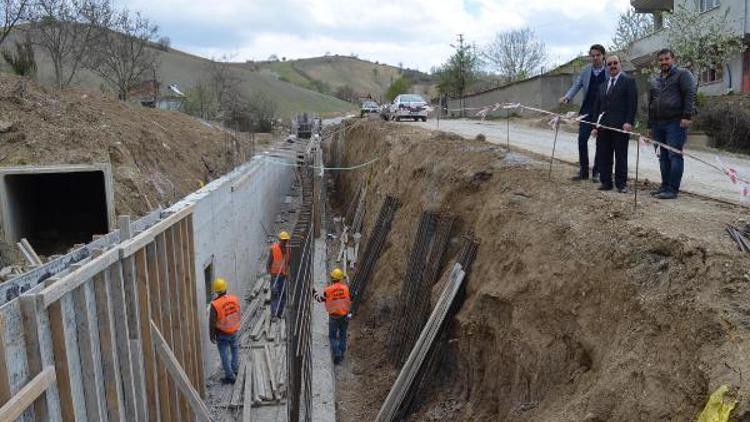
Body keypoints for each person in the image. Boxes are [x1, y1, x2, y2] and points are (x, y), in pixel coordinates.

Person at [647, 48, 697, 200]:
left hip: (675, 122)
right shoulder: (656, 80)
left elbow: (690, 94)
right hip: (657, 123)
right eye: (661, 60)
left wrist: (687, 116)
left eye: (666, 59)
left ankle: (672, 189)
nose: (664, 62)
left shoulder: (683, 74)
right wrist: (650, 125)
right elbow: (651, 103)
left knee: (674, 155)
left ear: (673, 59)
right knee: (662, 156)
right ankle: (664, 186)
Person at [560, 44, 607, 182]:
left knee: (601, 142)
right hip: (587, 111)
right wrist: (567, 97)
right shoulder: (586, 71)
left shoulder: (609, 71)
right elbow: (576, 85)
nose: (595, 58)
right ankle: (584, 171)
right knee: (582, 140)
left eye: (598, 55)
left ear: (603, 55)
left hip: (602, 113)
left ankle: (597, 172)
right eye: (593, 55)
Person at [590, 55, 638, 193]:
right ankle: (606, 182)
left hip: (621, 126)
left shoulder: (628, 82)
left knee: (621, 156)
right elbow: (597, 108)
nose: (612, 66)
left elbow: (632, 104)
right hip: (603, 127)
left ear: (620, 64)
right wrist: (595, 126)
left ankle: (621, 184)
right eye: (609, 64)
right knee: (604, 154)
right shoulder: (602, 86)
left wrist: (629, 121)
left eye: (615, 63)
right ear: (606, 67)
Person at [315, 268, 352, 365]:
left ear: (332, 278)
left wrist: (313, 292)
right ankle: (342, 353)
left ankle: (337, 353)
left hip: (334, 317)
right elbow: (350, 299)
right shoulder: (345, 289)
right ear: (340, 279)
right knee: (343, 335)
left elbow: (320, 299)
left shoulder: (328, 290)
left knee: (332, 336)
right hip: (344, 316)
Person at [209, 278, 240, 384]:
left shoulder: (215, 304)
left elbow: (212, 321)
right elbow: (238, 312)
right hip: (234, 330)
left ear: (216, 291)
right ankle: (235, 369)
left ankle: (230, 376)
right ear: (225, 287)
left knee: (224, 355)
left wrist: (211, 335)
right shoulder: (234, 299)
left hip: (222, 334)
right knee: (235, 350)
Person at [267, 231, 290, 318]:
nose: (285, 242)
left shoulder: (288, 249)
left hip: (283, 276)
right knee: (275, 294)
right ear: (279, 240)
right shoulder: (273, 249)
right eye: (283, 240)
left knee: (283, 295)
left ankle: (280, 313)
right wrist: (271, 274)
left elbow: (289, 262)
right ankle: (273, 314)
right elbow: (268, 263)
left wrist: (287, 272)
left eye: (286, 240)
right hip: (275, 276)